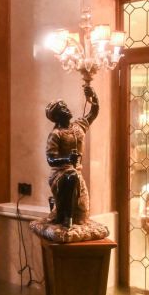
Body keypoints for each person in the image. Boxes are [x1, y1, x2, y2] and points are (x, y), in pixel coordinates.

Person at [44, 84, 99, 227]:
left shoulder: (79, 126)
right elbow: (50, 159)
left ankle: (61, 208)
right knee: (71, 176)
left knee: (82, 217)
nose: (67, 108)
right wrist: (67, 159)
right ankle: (66, 221)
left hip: (77, 174)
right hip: (60, 174)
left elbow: (94, 112)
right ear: (56, 116)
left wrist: (93, 96)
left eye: (65, 105)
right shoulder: (56, 134)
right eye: (62, 107)